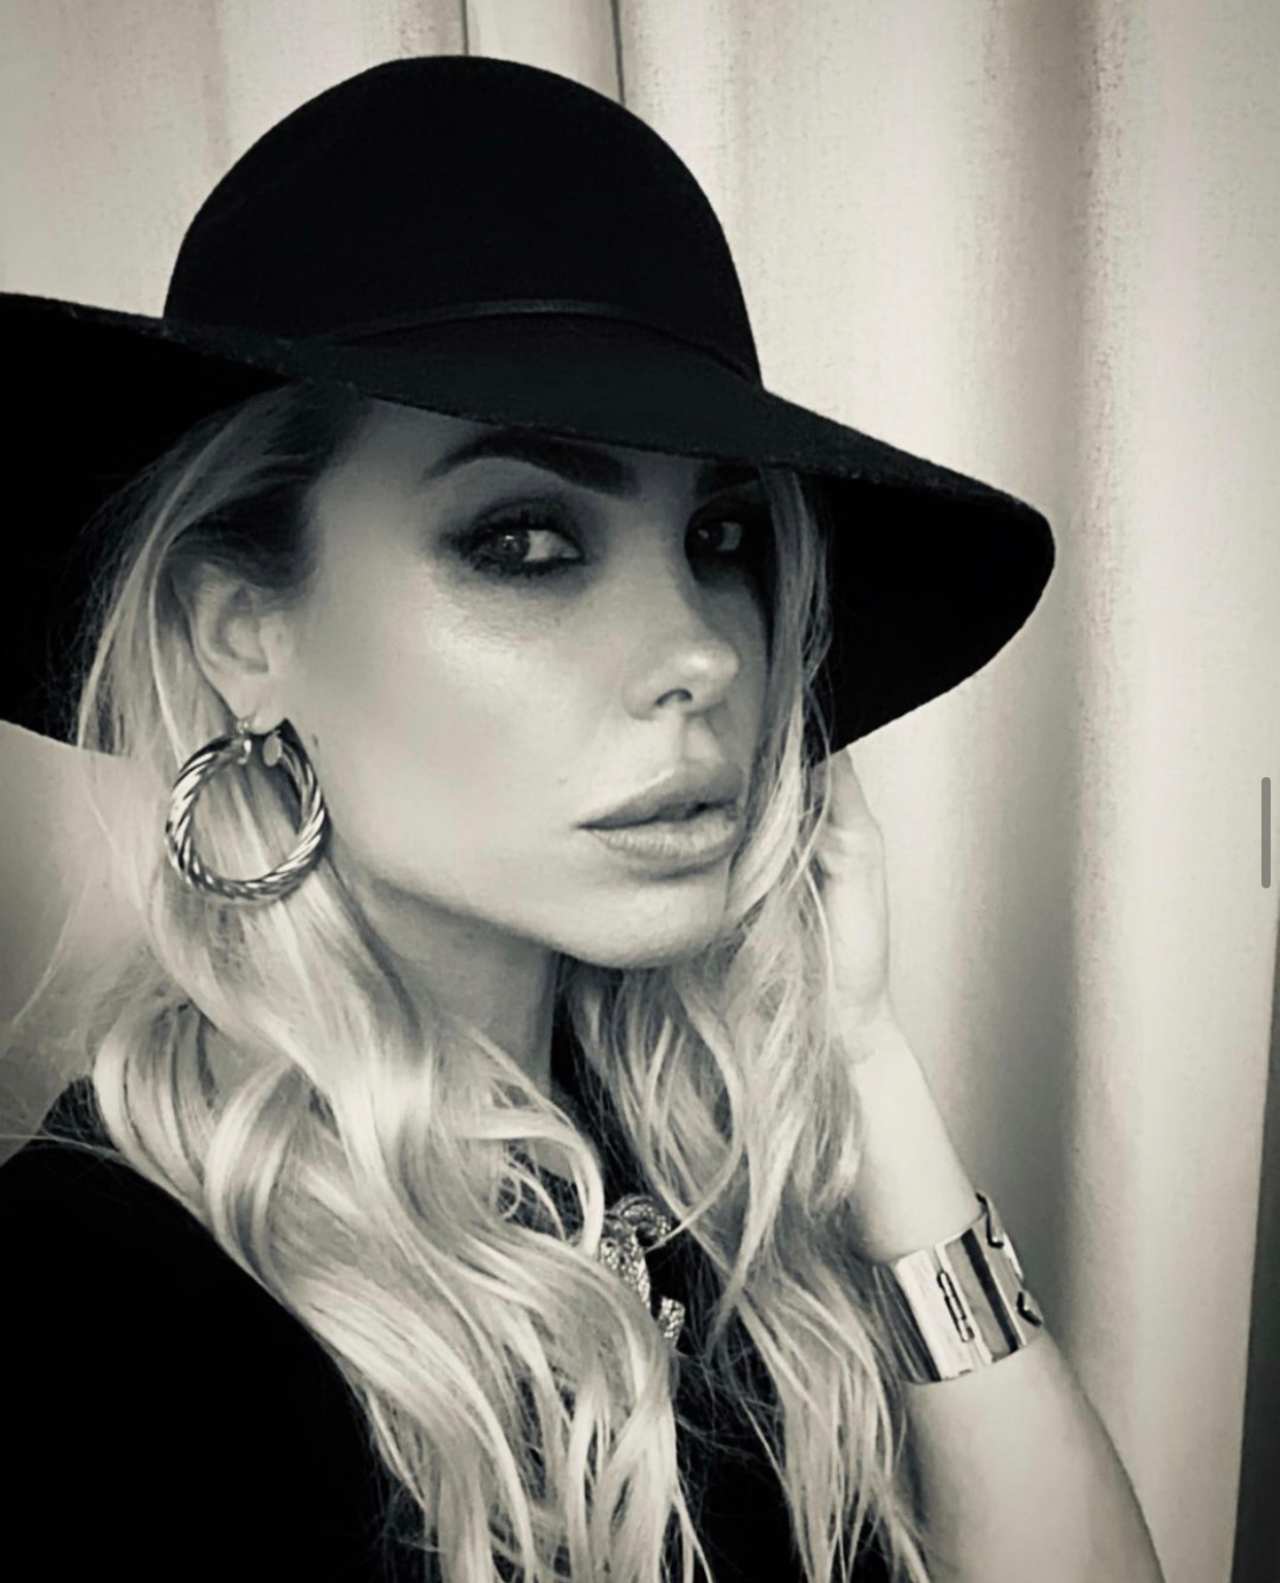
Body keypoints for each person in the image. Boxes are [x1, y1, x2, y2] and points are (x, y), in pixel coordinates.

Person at [0, 53, 1160, 1583]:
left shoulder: (687, 1169)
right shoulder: (95, 1312)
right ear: (242, 629)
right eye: (527, 540)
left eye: (722, 535)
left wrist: (866, 1060)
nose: (704, 655)